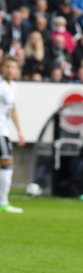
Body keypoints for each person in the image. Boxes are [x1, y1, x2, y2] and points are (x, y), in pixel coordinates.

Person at [0, 57, 25, 214]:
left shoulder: (13, 86)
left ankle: (3, 201)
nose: (10, 70)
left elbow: (13, 109)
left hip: (5, 132)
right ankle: (3, 202)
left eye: (13, 67)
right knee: (7, 165)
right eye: (7, 67)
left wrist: (20, 130)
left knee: (6, 166)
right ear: (2, 68)